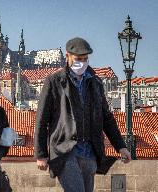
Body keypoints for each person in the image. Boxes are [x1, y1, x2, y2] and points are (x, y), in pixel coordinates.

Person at [34, 37, 131, 192]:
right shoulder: (54, 81)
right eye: (78, 59)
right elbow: (41, 119)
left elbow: (106, 117)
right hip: (65, 150)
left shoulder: (96, 82)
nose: (82, 63)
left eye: (85, 59)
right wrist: (41, 154)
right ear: (67, 56)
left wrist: (121, 146)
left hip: (90, 151)